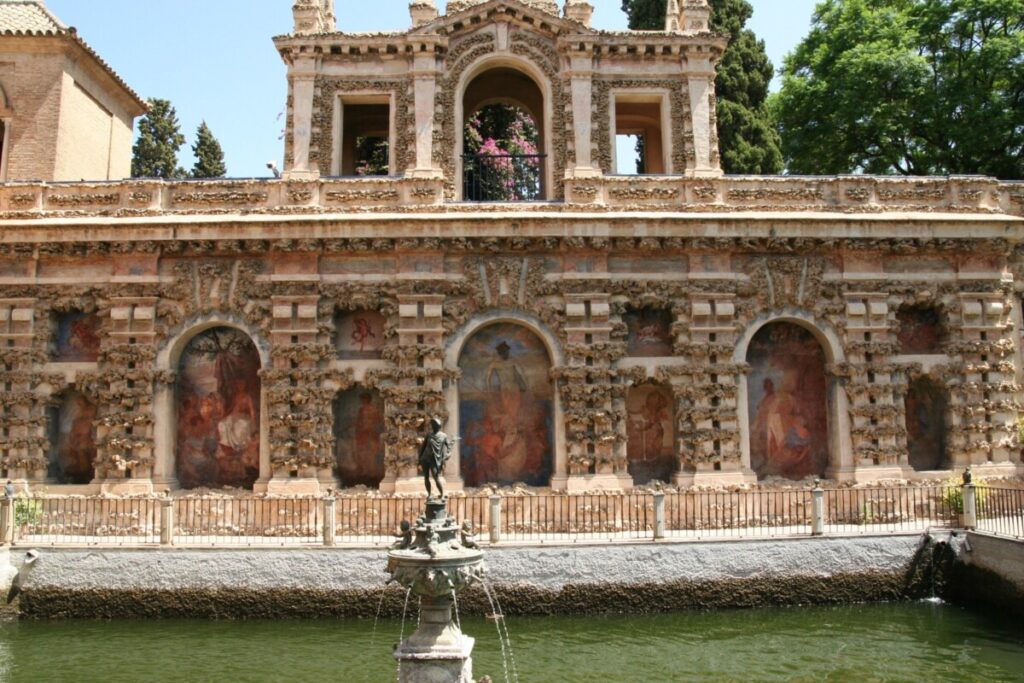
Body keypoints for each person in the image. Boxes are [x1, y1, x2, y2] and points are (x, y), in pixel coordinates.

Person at [418, 417, 452, 499]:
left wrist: (449, 454)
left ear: (438, 426)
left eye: (434, 425)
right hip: (425, 459)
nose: (432, 426)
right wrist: (419, 459)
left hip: (435, 459)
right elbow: (423, 447)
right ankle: (429, 494)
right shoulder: (429, 435)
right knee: (426, 477)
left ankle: (441, 494)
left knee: (436, 477)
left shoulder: (444, 436)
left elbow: (449, 446)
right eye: (432, 425)